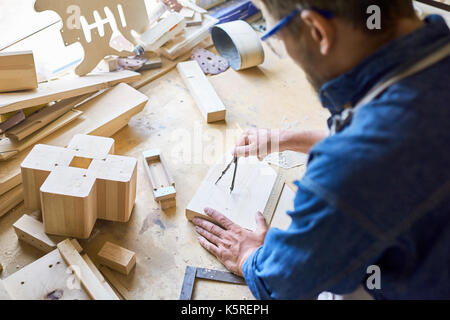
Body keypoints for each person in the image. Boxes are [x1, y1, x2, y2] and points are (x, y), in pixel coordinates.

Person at [192, 0, 450, 299]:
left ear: (317, 30)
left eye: (277, 35)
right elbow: (397, 135)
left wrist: (250, 256)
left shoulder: (351, 170)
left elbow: (285, 286)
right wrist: (281, 139)